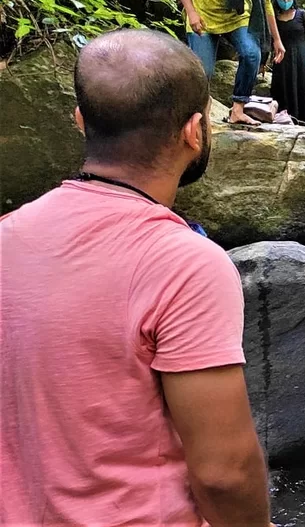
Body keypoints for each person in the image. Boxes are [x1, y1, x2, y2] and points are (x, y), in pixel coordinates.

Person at [0, 29, 271, 524]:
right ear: (195, 131)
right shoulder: (185, 265)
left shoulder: (7, 236)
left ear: (81, 121)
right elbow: (223, 474)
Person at [176, 0, 285, 126]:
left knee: (252, 54)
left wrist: (276, 40)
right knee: (204, 71)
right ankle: (198, 115)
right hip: (203, 16)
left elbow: (267, 3)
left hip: (235, 16)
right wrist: (191, 13)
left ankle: (238, 110)